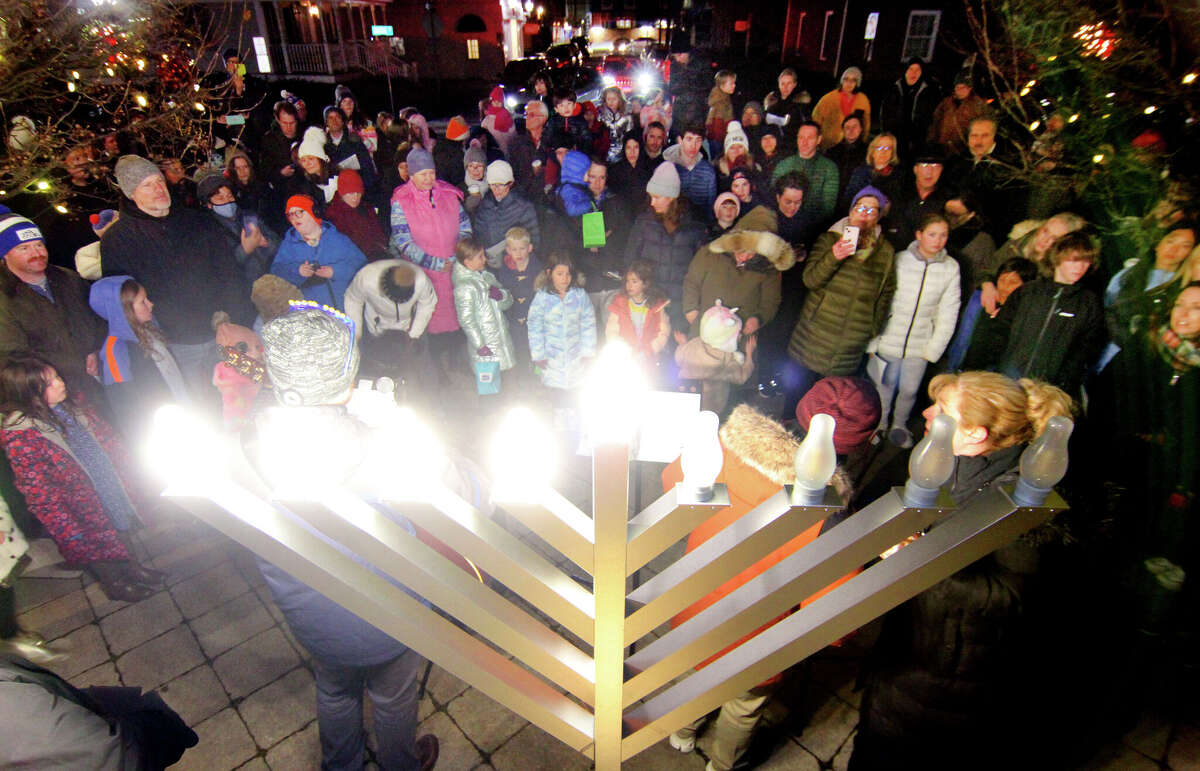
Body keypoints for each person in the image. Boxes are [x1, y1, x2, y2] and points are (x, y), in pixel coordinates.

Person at [850, 371, 1075, 771]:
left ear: (975, 433)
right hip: (903, 645)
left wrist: (918, 559)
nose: (926, 412)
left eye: (941, 409)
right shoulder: (941, 459)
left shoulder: (1022, 503)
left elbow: (1009, 597)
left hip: (943, 678)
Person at [253, 308, 440, 771]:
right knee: (393, 696)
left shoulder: (254, 442)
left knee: (335, 690)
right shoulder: (383, 446)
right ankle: (400, 764)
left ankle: (342, 765)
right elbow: (466, 497)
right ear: (348, 376)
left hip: (314, 614)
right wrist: (396, 424)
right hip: (389, 612)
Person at [663, 393, 872, 770]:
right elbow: (834, 612)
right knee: (743, 707)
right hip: (757, 632)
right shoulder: (828, 516)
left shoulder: (724, 448)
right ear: (858, 444)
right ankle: (722, 764)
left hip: (697, 605)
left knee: (693, 675)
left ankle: (681, 730)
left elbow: (672, 484)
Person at [0, 354, 163, 602]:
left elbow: (106, 437)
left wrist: (127, 466)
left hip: (108, 485)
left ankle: (133, 568)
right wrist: (64, 527)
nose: (60, 383)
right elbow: (38, 490)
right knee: (97, 548)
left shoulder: (71, 407)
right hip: (79, 507)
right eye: (50, 383)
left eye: (57, 376)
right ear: (30, 395)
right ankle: (115, 584)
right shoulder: (22, 437)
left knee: (121, 527)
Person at [785, 187, 897, 413]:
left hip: (851, 341)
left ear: (879, 216)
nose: (864, 214)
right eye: (860, 208)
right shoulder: (829, 239)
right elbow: (810, 280)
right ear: (851, 210)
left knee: (832, 405)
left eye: (871, 210)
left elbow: (887, 292)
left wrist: (872, 327)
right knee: (797, 394)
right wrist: (834, 256)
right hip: (815, 333)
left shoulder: (885, 251)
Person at [865, 212, 961, 447]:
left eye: (943, 235)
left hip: (920, 345)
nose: (938, 241)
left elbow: (948, 312)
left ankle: (899, 425)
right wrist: (873, 342)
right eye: (932, 234)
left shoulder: (950, 268)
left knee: (909, 390)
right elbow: (881, 302)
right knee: (883, 387)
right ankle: (879, 425)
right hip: (888, 339)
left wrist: (933, 349)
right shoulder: (899, 260)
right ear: (919, 235)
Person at [967, 231, 1104, 395]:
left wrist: (1064, 384)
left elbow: (1085, 352)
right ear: (1057, 257)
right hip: (1006, 383)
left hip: (1047, 391)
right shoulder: (1028, 292)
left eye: (1086, 261)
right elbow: (998, 332)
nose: (1080, 267)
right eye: (1074, 260)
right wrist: (984, 373)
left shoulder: (1089, 303)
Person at [389, 146, 473, 384]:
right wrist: (433, 263)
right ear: (411, 175)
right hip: (426, 274)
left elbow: (464, 226)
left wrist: (459, 254)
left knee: (459, 316)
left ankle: (458, 362)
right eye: (422, 174)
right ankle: (437, 371)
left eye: (431, 173)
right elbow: (403, 241)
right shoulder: (401, 201)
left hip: (454, 268)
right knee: (431, 321)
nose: (428, 178)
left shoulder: (448, 194)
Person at [0, 211, 105, 399]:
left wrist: (96, 348)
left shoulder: (69, 279)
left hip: (98, 379)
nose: (36, 253)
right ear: (5, 254)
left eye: (39, 245)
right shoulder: (5, 299)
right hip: (52, 394)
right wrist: (52, 378)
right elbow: (12, 356)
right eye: (24, 248)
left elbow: (99, 316)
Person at [88, 276, 189, 444]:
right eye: (143, 302)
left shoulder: (148, 331)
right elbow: (128, 409)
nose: (151, 304)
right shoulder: (116, 351)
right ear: (123, 310)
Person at [682, 212, 797, 340]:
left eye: (752, 253)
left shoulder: (768, 270)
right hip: (702, 328)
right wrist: (691, 310)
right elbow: (692, 282)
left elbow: (770, 302)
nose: (744, 257)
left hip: (738, 337)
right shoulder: (710, 254)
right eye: (741, 250)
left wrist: (758, 319)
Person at [625, 163, 706, 327]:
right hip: (650, 301)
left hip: (681, 303)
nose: (652, 203)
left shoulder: (694, 225)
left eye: (657, 197)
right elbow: (630, 258)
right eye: (651, 197)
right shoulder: (644, 222)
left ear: (670, 197)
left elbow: (700, 267)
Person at [343, 259, 436, 389]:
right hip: (378, 327)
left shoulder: (420, 279)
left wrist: (414, 335)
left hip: (409, 325)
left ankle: (425, 391)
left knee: (421, 361)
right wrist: (356, 332)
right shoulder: (366, 278)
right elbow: (353, 300)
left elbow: (426, 305)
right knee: (377, 363)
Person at [977, 212, 1087, 315]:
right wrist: (987, 285)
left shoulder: (1058, 270)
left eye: (1054, 238)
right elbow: (987, 269)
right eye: (1045, 231)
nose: (1045, 240)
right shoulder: (1016, 245)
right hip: (995, 299)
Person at [271, 195, 366, 312]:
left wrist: (334, 271)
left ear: (314, 212)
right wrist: (298, 271)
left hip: (346, 308)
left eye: (299, 212)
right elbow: (277, 271)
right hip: (314, 314)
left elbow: (360, 265)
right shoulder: (289, 245)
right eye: (290, 214)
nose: (294, 218)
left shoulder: (337, 238)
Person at [946, 256, 1037, 372]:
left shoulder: (1023, 316)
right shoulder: (982, 302)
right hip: (961, 368)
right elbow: (962, 340)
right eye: (1002, 280)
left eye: (1013, 282)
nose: (1005, 287)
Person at [527, 254, 597, 393]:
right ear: (549, 273)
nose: (565, 278)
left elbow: (588, 324)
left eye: (568, 274)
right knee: (554, 394)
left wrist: (588, 352)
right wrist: (538, 355)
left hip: (576, 358)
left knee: (576, 392)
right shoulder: (542, 297)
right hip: (551, 360)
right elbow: (535, 327)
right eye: (559, 274)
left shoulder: (580, 295)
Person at [674, 302, 757, 414]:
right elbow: (741, 377)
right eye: (738, 333)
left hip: (686, 400)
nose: (741, 335)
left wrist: (683, 343)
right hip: (711, 408)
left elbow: (678, 357)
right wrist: (749, 355)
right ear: (727, 338)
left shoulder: (695, 343)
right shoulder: (727, 358)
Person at [197, 171, 279, 282]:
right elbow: (217, 268)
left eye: (229, 196)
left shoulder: (249, 216)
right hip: (244, 286)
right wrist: (244, 250)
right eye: (220, 198)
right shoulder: (209, 230)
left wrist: (267, 243)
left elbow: (278, 242)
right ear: (209, 204)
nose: (227, 201)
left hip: (271, 276)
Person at [453, 237, 515, 382]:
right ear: (468, 262)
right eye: (480, 257)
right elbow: (466, 320)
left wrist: (501, 296)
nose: (485, 260)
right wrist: (479, 344)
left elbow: (507, 303)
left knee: (509, 381)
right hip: (486, 344)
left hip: (501, 338)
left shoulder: (487, 277)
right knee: (489, 385)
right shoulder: (464, 288)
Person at [495, 227, 543, 387]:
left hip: (535, 320)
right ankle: (523, 378)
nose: (518, 253)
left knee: (537, 350)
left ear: (530, 248)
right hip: (514, 319)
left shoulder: (538, 268)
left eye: (522, 248)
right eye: (514, 249)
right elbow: (504, 295)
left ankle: (539, 376)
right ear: (508, 250)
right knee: (520, 349)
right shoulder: (504, 270)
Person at [605, 259, 671, 376]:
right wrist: (625, 351)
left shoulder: (656, 306)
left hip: (648, 361)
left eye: (634, 281)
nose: (629, 285)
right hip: (624, 360)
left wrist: (649, 350)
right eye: (627, 281)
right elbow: (612, 331)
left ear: (645, 283)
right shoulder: (620, 303)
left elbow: (663, 333)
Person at [771, 121, 839, 229]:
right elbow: (773, 195)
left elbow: (827, 208)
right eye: (801, 137)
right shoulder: (784, 165)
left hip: (812, 226)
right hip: (782, 223)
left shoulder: (829, 168)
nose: (804, 143)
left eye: (810, 138)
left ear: (818, 140)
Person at [472, 160, 541, 266]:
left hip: (513, 263)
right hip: (488, 262)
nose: (496, 189)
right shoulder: (485, 204)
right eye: (493, 184)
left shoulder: (523, 206)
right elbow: (478, 232)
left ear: (510, 183)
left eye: (501, 185)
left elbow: (534, 239)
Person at [884, 149, 950, 251]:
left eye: (935, 166)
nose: (929, 172)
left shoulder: (947, 198)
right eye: (924, 165)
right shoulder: (897, 192)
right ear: (915, 169)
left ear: (941, 170)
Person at [877, 58, 940, 161]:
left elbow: (931, 119)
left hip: (916, 143)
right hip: (894, 140)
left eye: (917, 70)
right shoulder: (894, 90)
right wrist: (887, 135)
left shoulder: (928, 93)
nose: (913, 73)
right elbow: (884, 115)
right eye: (910, 69)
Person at [325, 169, 389, 262]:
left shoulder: (367, 208)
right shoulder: (333, 215)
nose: (355, 198)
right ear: (342, 193)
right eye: (350, 193)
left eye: (358, 193)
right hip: (353, 261)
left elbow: (379, 234)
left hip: (377, 255)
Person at [927, 72, 989, 156]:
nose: (960, 90)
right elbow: (935, 122)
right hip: (942, 149)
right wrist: (931, 141)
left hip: (963, 151)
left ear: (970, 88)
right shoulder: (946, 103)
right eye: (957, 87)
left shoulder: (978, 105)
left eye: (963, 87)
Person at [841, 133, 903, 215]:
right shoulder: (861, 172)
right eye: (879, 148)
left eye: (888, 148)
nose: (883, 152)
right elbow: (848, 199)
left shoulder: (898, 175)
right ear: (872, 151)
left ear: (892, 153)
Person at [663, 124, 718, 217]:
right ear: (680, 140)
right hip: (672, 220)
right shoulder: (666, 168)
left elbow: (711, 206)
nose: (693, 145)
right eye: (689, 139)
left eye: (698, 140)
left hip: (700, 222)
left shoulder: (708, 171)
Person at [812, 67, 871, 150]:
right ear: (841, 81)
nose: (849, 83)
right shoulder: (829, 98)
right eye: (846, 79)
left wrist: (864, 140)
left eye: (853, 80)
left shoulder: (863, 100)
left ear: (857, 83)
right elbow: (816, 119)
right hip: (829, 144)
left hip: (854, 145)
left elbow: (866, 123)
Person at [324, 106, 378, 194]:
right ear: (326, 122)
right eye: (330, 118)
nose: (334, 121)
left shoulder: (355, 141)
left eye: (337, 117)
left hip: (357, 189)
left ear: (343, 121)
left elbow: (368, 169)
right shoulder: (323, 145)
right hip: (335, 191)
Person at [508, 101, 553, 203]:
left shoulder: (552, 141)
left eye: (531, 115)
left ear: (543, 118)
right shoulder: (516, 143)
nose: (527, 118)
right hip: (525, 198)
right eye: (526, 114)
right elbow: (513, 173)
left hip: (548, 197)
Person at [825, 113, 868, 198]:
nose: (851, 130)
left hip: (858, 196)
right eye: (847, 127)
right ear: (843, 130)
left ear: (861, 129)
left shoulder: (868, 152)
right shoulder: (831, 152)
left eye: (855, 127)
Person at [763, 67, 811, 144]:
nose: (785, 87)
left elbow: (806, 126)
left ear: (794, 84)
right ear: (778, 84)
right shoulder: (771, 102)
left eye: (789, 83)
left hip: (791, 143)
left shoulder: (800, 105)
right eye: (782, 83)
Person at [714, 121, 761, 195]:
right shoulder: (717, 171)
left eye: (740, 147)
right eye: (732, 148)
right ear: (726, 152)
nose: (736, 151)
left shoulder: (756, 169)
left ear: (746, 150)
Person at [607, 134, 652, 204]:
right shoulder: (615, 171)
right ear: (624, 149)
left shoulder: (648, 168)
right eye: (628, 148)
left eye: (636, 147)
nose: (632, 152)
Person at [706, 69, 737, 155]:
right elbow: (717, 124)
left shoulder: (724, 98)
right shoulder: (720, 102)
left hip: (718, 139)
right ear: (722, 85)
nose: (734, 85)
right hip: (718, 140)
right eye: (731, 83)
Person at [598, 87, 631, 163]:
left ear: (620, 100)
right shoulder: (600, 116)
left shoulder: (627, 117)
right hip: (604, 155)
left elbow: (630, 137)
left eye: (614, 99)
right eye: (608, 99)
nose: (611, 102)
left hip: (622, 155)